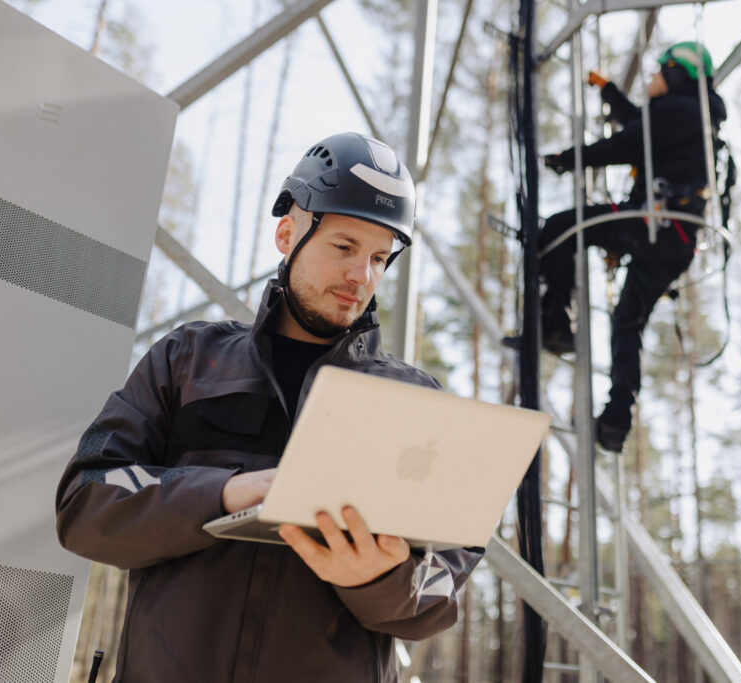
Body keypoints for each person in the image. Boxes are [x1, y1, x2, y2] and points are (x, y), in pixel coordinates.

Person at [56, 132, 483, 682]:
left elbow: (439, 594)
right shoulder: (187, 360)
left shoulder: (415, 404)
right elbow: (85, 502)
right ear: (288, 234)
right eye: (344, 247)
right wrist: (224, 493)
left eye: (380, 257)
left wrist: (381, 579)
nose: (363, 277)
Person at [539, 41, 728, 454]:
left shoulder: (679, 112)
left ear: (677, 74)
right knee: (627, 320)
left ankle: (555, 322)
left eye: (659, 71)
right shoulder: (693, 117)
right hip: (674, 240)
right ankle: (615, 421)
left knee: (558, 229)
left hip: (652, 225)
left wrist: (567, 159)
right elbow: (638, 124)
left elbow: (628, 142)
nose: (651, 78)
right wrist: (607, 90)